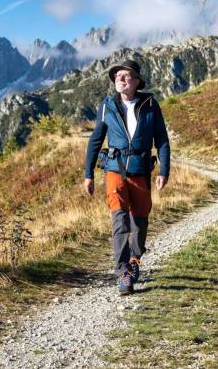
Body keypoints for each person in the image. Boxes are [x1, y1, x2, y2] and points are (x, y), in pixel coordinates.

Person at [83, 60, 170, 295]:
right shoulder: (107, 105)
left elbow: (161, 140)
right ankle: (122, 271)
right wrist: (88, 173)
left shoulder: (151, 105)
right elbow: (95, 140)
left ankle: (134, 260)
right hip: (114, 169)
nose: (121, 79)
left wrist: (164, 171)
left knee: (140, 223)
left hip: (141, 170)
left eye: (126, 75)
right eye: (117, 76)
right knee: (120, 220)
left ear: (137, 82)